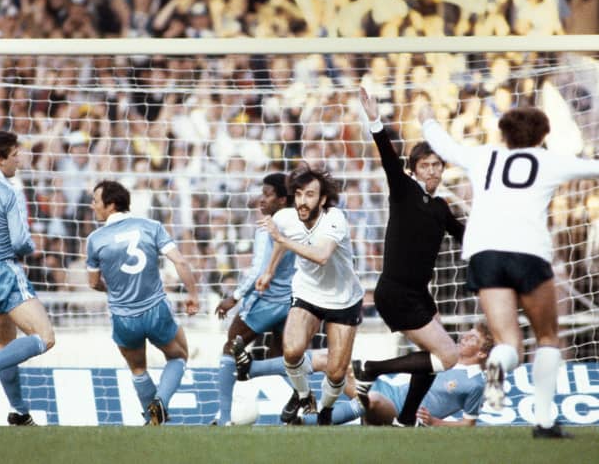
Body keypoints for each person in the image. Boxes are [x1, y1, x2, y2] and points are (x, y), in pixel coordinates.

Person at [419, 103, 599, 438]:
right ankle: (543, 422)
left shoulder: (484, 156)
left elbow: (445, 146)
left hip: (485, 254)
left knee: (508, 343)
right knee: (547, 337)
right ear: (543, 135)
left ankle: (497, 371)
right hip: (528, 250)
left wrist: (427, 119)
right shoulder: (549, 161)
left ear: (503, 134)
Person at [351, 87, 464, 427]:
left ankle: (406, 418)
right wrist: (374, 120)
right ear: (414, 170)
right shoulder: (404, 191)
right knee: (449, 355)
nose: (432, 171)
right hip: (396, 292)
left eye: (436, 165)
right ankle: (372, 369)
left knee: (435, 357)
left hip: (419, 294)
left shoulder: (442, 207)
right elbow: (387, 156)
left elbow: (465, 237)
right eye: (425, 165)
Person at [255, 166, 364, 425]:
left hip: (343, 298)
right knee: (291, 351)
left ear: (322, 199)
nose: (303, 201)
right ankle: (305, 397)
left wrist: (281, 238)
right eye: (299, 194)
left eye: (310, 195)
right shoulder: (286, 217)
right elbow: (282, 243)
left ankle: (326, 410)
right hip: (307, 293)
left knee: (336, 373)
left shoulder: (335, 218)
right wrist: (269, 271)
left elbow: (322, 255)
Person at [86, 180, 199, 425]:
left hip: (124, 316)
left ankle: (152, 417)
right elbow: (180, 262)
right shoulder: (151, 226)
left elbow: (93, 282)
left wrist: (113, 290)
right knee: (178, 356)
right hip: (155, 309)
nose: (92, 205)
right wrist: (193, 294)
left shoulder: (95, 239)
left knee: (138, 369)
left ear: (111, 204)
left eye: (95, 201)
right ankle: (161, 402)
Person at [232, 324, 493, 427]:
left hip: (400, 411)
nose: (463, 337)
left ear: (482, 354)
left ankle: (303, 422)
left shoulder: (474, 382)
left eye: (472, 338)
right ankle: (251, 368)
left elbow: (468, 425)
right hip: (388, 389)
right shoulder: (441, 357)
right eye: (466, 332)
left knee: (374, 400)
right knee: (329, 358)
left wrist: (435, 422)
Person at [0, 130, 55, 425]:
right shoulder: (7, 192)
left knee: (6, 344)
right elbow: (19, 242)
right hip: (3, 272)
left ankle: (20, 412)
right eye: (15, 156)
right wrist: (32, 247)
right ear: (0, 159)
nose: (19, 161)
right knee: (46, 337)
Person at [212, 172, 295, 426]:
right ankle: (305, 399)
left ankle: (224, 417)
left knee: (230, 348)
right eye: (263, 193)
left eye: (268, 195)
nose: (262, 199)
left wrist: (234, 297)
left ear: (282, 199)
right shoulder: (298, 224)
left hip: (266, 301)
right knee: (284, 357)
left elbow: (259, 270)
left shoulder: (267, 228)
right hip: (291, 302)